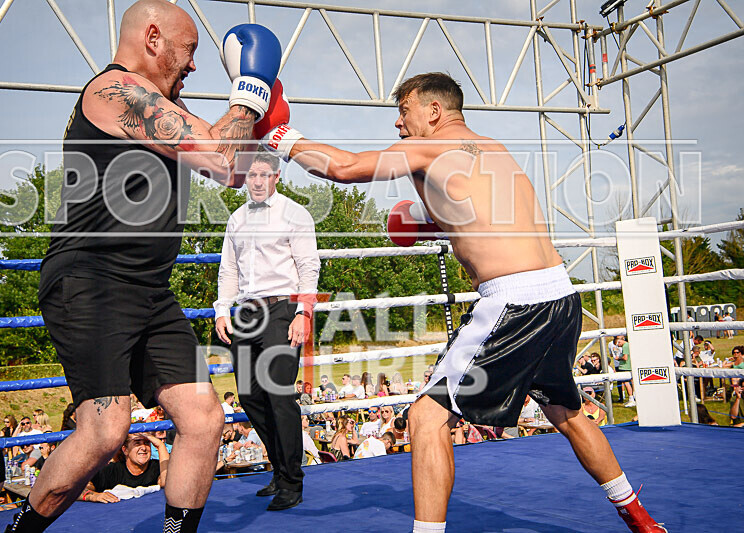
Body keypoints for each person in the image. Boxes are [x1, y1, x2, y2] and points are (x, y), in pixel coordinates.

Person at [260, 71, 665, 532]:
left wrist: (279, 136)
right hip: (559, 293)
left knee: (426, 417)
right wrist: (422, 218)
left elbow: (344, 168)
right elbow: (477, 221)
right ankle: (641, 519)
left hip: (514, 303)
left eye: (403, 110)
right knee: (566, 413)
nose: (397, 123)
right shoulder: (494, 151)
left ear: (433, 111)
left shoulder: (430, 147)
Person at [7, 1, 282, 530]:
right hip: (92, 281)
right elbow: (217, 152)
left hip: (150, 289)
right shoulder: (114, 93)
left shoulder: (159, 103)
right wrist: (251, 90)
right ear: (153, 37)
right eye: (190, 49)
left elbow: (230, 169)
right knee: (105, 430)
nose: (195, 65)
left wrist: (260, 112)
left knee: (204, 418)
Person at [213, 150, 320, 512]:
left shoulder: (294, 213)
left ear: (276, 177)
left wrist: (303, 313)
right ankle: (278, 469)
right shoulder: (236, 219)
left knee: (278, 395)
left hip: (281, 310)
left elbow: (309, 267)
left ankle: (292, 480)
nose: (257, 181)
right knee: (250, 397)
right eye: (251, 175)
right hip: (245, 313)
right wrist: (222, 311)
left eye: (264, 175)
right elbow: (228, 271)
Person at [79, 433, 169, 503]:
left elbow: (166, 482)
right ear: (125, 450)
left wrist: (160, 445)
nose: (144, 448)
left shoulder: (156, 468)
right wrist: (93, 496)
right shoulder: (112, 471)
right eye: (137, 443)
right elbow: (76, 489)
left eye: (146, 443)